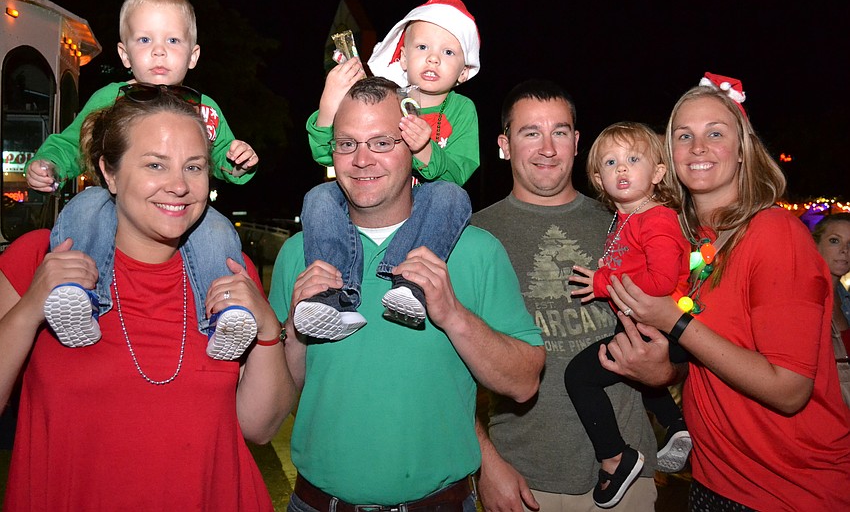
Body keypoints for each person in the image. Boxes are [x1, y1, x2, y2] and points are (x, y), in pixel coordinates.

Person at [0, 91, 296, 510]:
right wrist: (31, 309)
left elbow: (260, 429)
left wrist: (268, 328)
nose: (178, 186)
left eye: (193, 167)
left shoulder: (226, 269)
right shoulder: (39, 257)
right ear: (110, 172)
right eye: (155, 164)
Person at [269, 76, 544, 510]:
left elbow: (525, 381)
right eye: (347, 144)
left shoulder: (475, 250)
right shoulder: (297, 256)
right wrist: (293, 328)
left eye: (381, 142)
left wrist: (453, 314)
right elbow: (277, 405)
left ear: (412, 148)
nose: (362, 160)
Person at [603, 72, 850, 511]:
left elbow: (790, 389)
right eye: (684, 136)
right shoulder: (698, 242)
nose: (698, 147)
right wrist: (664, 371)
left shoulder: (775, 234)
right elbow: (712, 357)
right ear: (670, 155)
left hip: (788, 491)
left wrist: (672, 320)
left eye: (715, 133)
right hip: (715, 479)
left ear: (742, 151)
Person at [26, 0, 260, 359]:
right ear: (124, 53)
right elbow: (73, 140)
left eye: (172, 41)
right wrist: (49, 162)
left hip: (183, 209)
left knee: (217, 228)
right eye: (145, 40)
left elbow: (219, 155)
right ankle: (76, 294)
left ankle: (227, 313)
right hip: (114, 200)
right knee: (86, 207)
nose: (159, 51)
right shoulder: (110, 99)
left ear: (193, 55)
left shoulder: (205, 109)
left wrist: (238, 159)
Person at [472, 80, 660, 511]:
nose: (547, 148)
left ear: (577, 142)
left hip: (628, 478)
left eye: (559, 132)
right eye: (530, 132)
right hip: (523, 479)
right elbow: (444, 368)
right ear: (504, 144)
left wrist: (664, 369)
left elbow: (670, 325)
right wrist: (485, 464)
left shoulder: (625, 223)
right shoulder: (475, 235)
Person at [295, 0, 480, 339]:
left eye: (449, 52)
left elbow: (461, 171)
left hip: (426, 207)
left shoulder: (461, 110)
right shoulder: (388, 100)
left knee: (451, 195)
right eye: (422, 47)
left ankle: (410, 283)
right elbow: (326, 154)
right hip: (377, 201)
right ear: (403, 57)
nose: (434, 59)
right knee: (319, 196)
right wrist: (328, 105)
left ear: (465, 72)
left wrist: (425, 150)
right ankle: (330, 295)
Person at [564, 122, 691, 507]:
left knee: (579, 376)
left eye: (633, 160)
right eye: (611, 161)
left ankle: (617, 457)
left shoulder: (657, 218)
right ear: (598, 178)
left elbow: (661, 280)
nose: (622, 169)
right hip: (643, 326)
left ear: (657, 172)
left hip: (663, 330)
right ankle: (675, 426)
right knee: (635, 376)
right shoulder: (627, 219)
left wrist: (604, 282)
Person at [811, 213, 850, 407]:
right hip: (820, 411)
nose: (845, 250)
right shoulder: (807, 297)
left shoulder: (844, 298)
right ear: (815, 245)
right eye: (835, 241)